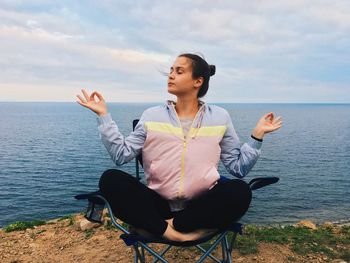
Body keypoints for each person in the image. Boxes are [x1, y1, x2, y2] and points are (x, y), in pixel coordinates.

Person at [76, 53, 282, 242]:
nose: (171, 75)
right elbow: (121, 155)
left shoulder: (220, 117)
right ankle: (180, 234)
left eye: (179, 71)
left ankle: (166, 227)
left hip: (202, 205)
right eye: (171, 70)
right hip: (159, 205)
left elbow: (238, 168)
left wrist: (258, 135)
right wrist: (104, 116)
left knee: (240, 191)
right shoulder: (151, 115)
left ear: (198, 82)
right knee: (111, 179)